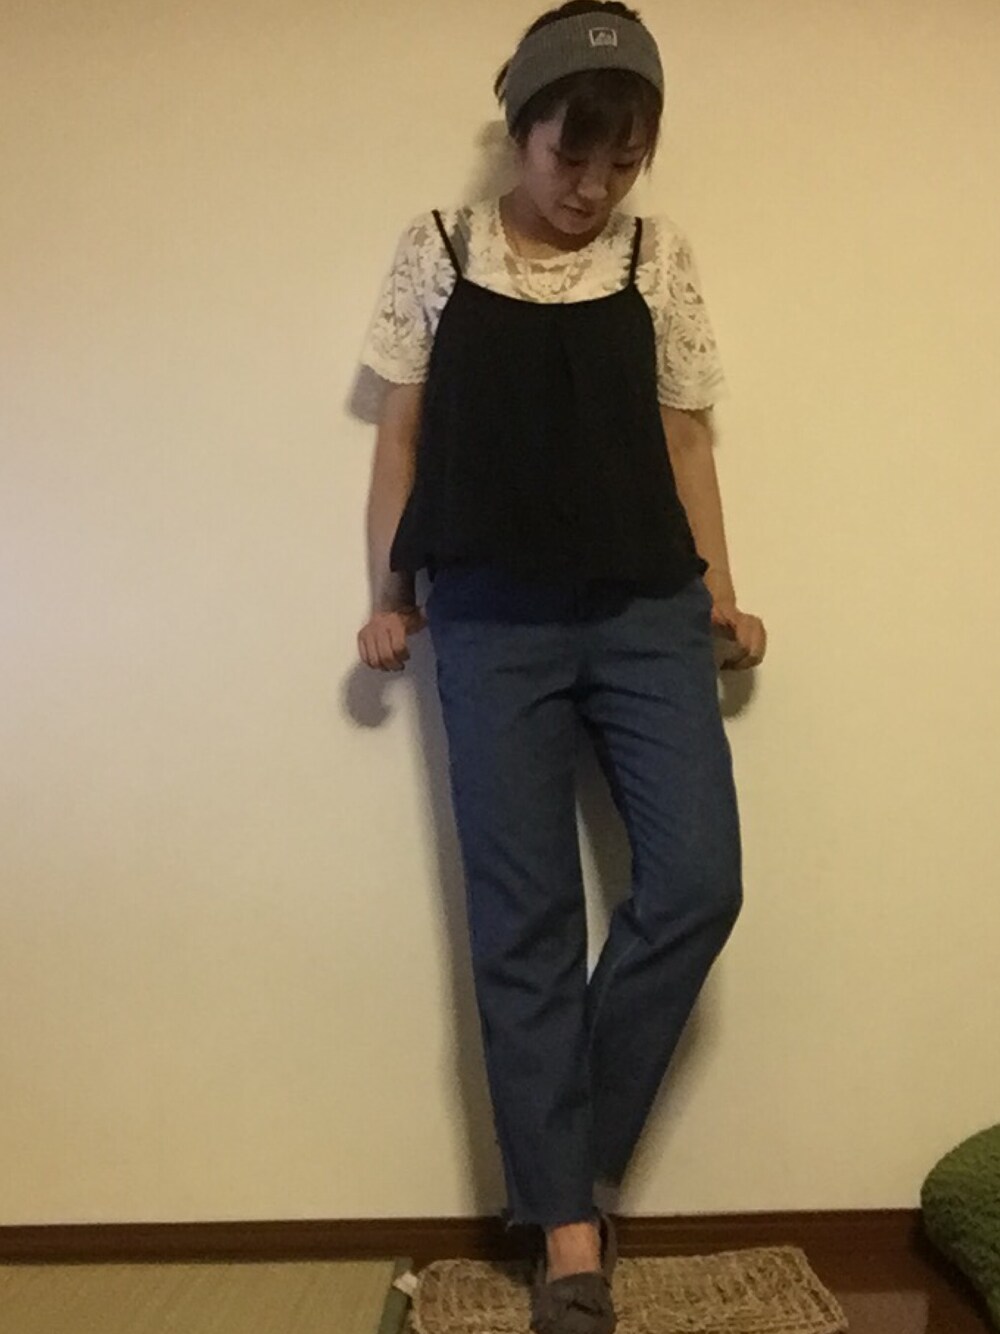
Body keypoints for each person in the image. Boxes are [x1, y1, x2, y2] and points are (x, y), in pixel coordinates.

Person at [356, 4, 767, 1330]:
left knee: (697, 882)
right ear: (520, 130)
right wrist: (387, 595)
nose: (592, 188)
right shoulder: (439, 249)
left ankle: (553, 1159)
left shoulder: (659, 256)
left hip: (648, 611)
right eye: (568, 156)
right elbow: (401, 438)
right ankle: (572, 1241)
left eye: (621, 161)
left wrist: (724, 592)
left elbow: (688, 440)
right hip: (488, 621)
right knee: (524, 920)